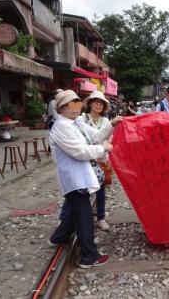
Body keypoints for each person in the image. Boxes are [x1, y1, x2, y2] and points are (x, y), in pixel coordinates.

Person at [49, 89, 122, 268]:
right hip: (75, 179)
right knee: (84, 216)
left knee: (76, 212)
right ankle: (89, 257)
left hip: (81, 177)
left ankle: (58, 238)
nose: (75, 107)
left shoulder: (77, 122)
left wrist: (112, 124)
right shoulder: (61, 127)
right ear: (61, 108)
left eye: (76, 103)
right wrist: (103, 149)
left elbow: (95, 136)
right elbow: (79, 151)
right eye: (70, 105)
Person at [82, 91, 113, 231]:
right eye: (95, 101)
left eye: (101, 102)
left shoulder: (106, 121)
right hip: (86, 159)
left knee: (100, 191)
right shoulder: (82, 119)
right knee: (82, 190)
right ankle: (72, 218)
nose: (98, 104)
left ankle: (100, 217)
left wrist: (107, 158)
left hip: (101, 159)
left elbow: (109, 140)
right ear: (89, 103)